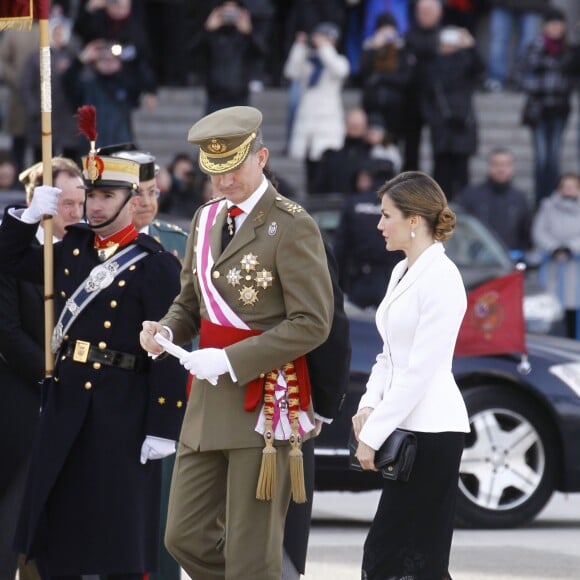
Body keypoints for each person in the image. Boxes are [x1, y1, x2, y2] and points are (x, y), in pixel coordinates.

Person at [139, 105, 333, 580]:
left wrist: (230, 358)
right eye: (214, 172)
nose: (223, 183)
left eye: (232, 169)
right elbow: (190, 302)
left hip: (263, 401)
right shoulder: (205, 220)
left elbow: (313, 322)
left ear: (260, 157)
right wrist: (166, 329)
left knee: (251, 550)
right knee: (182, 535)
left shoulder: (291, 224)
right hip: (206, 402)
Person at [0, 142, 187, 576]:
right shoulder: (72, 250)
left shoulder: (154, 264)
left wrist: (162, 427)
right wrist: (24, 219)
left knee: (118, 535)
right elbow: (7, 262)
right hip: (67, 404)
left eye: (106, 196)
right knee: (58, 531)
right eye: (92, 195)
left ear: (132, 200)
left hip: (121, 408)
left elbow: (168, 349)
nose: (95, 205)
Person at [351, 171, 469, 579]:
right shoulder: (401, 271)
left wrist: (372, 434)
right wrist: (368, 405)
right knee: (391, 558)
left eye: (387, 216)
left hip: (434, 433)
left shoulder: (442, 277)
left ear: (414, 220)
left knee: (414, 561)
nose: (379, 225)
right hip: (406, 430)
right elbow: (389, 354)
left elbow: (421, 369)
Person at [0, 157, 84, 580]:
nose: (74, 213)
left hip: (73, 409)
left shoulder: (86, 256)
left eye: (79, 202)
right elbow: (9, 333)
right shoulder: (18, 253)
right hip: (23, 404)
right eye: (64, 202)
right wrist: (51, 377)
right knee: (10, 527)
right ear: (42, 202)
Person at [515, 7, 575, 207]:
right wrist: (540, 86)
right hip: (539, 109)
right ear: (544, 26)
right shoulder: (535, 46)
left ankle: (552, 200)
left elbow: (573, 76)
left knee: (554, 157)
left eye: (559, 24)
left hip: (560, 109)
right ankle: (541, 200)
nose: (555, 28)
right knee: (542, 158)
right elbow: (521, 75)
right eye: (552, 23)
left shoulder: (569, 49)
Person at [284, 21, 350, 193]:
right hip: (308, 122)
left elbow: (340, 70)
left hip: (327, 122)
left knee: (326, 168)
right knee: (310, 168)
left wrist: (324, 48)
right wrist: (299, 46)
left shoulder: (337, 60)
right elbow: (291, 71)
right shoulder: (308, 63)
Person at [421, 20, 484, 200]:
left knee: (461, 172)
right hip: (441, 125)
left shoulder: (465, 60)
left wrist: (471, 46)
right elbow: (426, 95)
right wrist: (433, 119)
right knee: (441, 172)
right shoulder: (432, 64)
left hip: (463, 123)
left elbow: (480, 69)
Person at [333, 159, 404, 309]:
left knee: (356, 329)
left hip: (361, 279)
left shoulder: (354, 203)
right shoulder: (402, 206)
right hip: (393, 278)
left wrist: (339, 284)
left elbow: (340, 249)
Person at [456, 147, 532, 255]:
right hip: (476, 259)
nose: (501, 169)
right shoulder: (471, 196)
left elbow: (526, 235)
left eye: (506, 165)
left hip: (510, 260)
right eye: (496, 164)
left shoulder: (520, 199)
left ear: (512, 168)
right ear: (489, 167)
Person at [532, 172, 580, 339]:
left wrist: (571, 247)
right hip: (553, 267)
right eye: (565, 187)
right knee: (553, 310)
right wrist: (553, 248)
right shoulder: (548, 206)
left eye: (573, 187)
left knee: (574, 311)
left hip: (575, 268)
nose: (569, 191)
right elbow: (539, 231)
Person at [194, 1, 265, 113]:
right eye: (226, 9)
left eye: (234, 9)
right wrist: (207, 29)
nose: (230, 14)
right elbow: (194, 52)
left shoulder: (245, 36)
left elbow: (261, 53)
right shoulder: (212, 35)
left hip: (240, 96)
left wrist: (249, 33)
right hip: (215, 96)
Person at [403, 0, 443, 172]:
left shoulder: (445, 36)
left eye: (428, 11)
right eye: (421, 11)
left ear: (438, 13)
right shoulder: (407, 37)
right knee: (411, 146)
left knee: (440, 146)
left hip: (438, 98)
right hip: (412, 97)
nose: (424, 15)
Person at [484, 0, 549, 92]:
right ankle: (496, 78)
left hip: (532, 4)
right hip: (502, 3)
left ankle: (523, 77)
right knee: (499, 39)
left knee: (528, 42)